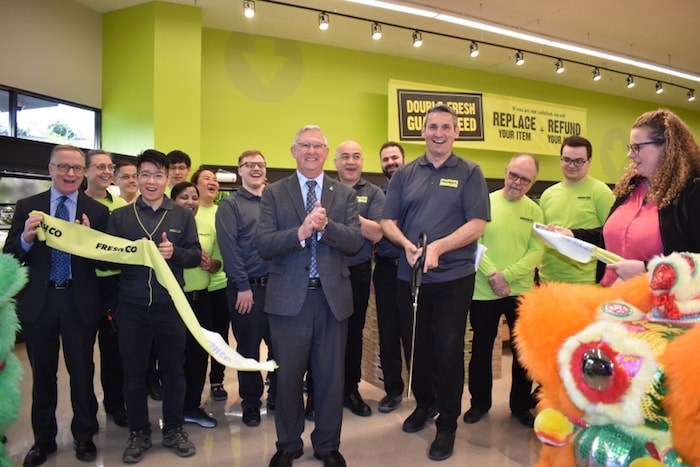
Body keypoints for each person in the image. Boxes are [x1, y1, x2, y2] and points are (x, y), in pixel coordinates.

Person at [381, 104, 490, 462]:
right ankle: (424, 404)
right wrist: (407, 245)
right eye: (432, 127)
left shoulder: (470, 172)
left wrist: (439, 247)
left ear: (456, 132)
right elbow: (388, 221)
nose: (439, 132)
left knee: (447, 349)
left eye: (446, 127)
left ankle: (447, 422)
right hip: (409, 275)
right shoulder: (405, 174)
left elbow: (477, 224)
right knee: (416, 346)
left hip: (453, 278)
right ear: (422, 131)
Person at [257, 125, 363, 467]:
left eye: (318, 145)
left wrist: (326, 227)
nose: (312, 151)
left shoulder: (342, 194)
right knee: (287, 378)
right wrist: (301, 232)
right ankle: (288, 445)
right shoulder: (274, 193)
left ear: (326, 152)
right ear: (293, 151)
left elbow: (355, 242)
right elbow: (264, 244)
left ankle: (327, 445)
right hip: (288, 302)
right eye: (305, 145)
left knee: (331, 378)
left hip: (332, 300)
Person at [4, 144, 109, 465]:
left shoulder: (98, 211)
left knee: (82, 372)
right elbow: (11, 255)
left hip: (80, 302)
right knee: (44, 375)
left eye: (76, 168)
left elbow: (104, 261)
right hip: (40, 303)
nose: (70, 174)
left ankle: (84, 436)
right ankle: (43, 440)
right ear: (50, 170)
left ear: (84, 172)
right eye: (63, 167)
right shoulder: (28, 206)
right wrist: (25, 238)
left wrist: (91, 242)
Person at [106, 149, 201, 464]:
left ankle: (173, 429)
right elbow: (106, 257)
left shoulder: (182, 215)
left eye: (157, 175)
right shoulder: (120, 217)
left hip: (170, 306)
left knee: (175, 371)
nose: (150, 181)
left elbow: (194, 254)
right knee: (133, 374)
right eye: (143, 174)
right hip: (131, 306)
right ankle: (139, 432)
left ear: (167, 178)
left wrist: (175, 253)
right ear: (135, 179)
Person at [562, 109, 700, 284]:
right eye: (630, 147)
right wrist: (572, 235)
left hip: (660, 305)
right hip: (615, 301)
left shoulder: (691, 193)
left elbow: (695, 261)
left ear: (667, 147)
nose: (629, 154)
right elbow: (611, 237)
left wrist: (646, 269)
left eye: (637, 147)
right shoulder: (631, 187)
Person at [463, 154, 543, 428]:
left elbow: (537, 250)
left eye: (525, 179)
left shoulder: (535, 210)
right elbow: (474, 241)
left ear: (532, 183)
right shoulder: (484, 201)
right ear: (505, 171)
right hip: (483, 291)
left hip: (520, 291)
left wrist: (507, 276)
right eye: (514, 175)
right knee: (481, 351)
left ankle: (520, 406)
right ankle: (479, 403)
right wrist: (492, 275)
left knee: (523, 354)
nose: (517, 182)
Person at [216, 150, 276, 427]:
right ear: (239, 170)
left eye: (260, 165)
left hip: (279, 288)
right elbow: (229, 249)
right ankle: (251, 402)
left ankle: (277, 394)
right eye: (248, 165)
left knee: (281, 346)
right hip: (247, 290)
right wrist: (242, 286)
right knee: (249, 348)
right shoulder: (230, 206)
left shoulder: (276, 200)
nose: (255, 169)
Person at [333, 140, 384, 418]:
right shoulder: (324, 189)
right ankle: (318, 393)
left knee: (354, 334)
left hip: (358, 274)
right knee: (324, 335)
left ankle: (350, 390)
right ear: (335, 162)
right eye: (344, 157)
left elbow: (377, 233)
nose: (350, 161)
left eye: (356, 156)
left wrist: (347, 211)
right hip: (326, 271)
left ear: (362, 161)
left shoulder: (374, 193)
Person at [83, 150, 129, 429]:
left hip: (116, 284)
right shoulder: (75, 204)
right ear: (86, 171)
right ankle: (86, 409)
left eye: (109, 167)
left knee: (115, 350)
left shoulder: (121, 203)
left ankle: (115, 404)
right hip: (86, 284)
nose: (105, 172)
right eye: (99, 166)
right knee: (82, 354)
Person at [170, 181, 221, 430]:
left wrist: (211, 264)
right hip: (173, 301)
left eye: (194, 197)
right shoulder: (166, 227)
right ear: (173, 200)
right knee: (173, 357)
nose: (190, 201)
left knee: (198, 357)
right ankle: (173, 411)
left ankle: (191, 406)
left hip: (201, 299)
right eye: (183, 197)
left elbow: (220, 263)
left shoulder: (208, 226)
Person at [539, 136, 614, 284]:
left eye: (578, 161)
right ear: (561, 160)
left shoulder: (601, 192)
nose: (572, 165)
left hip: (585, 281)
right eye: (567, 160)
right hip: (548, 279)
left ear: (589, 161)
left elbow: (610, 235)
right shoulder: (548, 194)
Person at [190, 168, 230, 403]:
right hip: (194, 287)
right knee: (196, 341)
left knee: (220, 337)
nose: (212, 182)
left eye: (215, 180)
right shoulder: (189, 212)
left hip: (220, 284)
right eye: (207, 179)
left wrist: (215, 265)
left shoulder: (222, 212)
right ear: (195, 185)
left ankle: (217, 380)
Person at [373, 141, 407, 413]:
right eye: (386, 159)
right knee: (388, 333)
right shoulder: (378, 196)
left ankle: (424, 391)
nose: (391, 162)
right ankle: (393, 390)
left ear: (404, 159)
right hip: (385, 269)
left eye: (394, 157)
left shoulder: (418, 191)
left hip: (412, 268)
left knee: (416, 332)